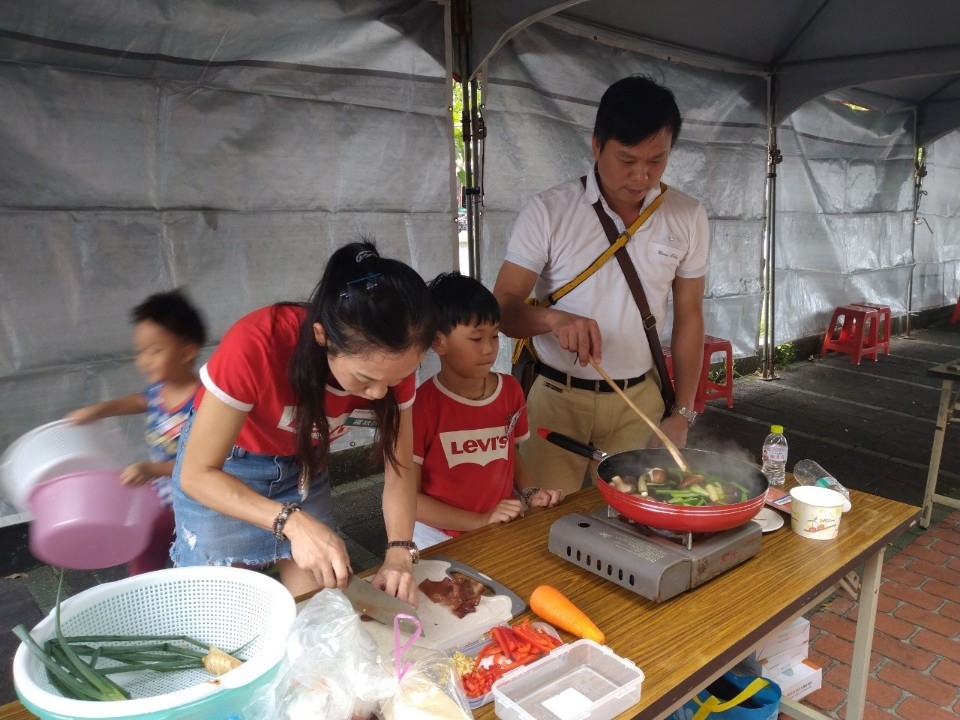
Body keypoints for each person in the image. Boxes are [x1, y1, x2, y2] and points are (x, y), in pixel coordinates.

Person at [171, 240, 434, 603]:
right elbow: (197, 474)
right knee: (216, 611)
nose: (377, 394)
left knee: (323, 608)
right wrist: (291, 521)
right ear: (322, 336)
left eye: (393, 380)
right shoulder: (258, 344)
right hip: (227, 470)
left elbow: (401, 467)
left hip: (302, 467)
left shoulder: (392, 361)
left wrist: (400, 552)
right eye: (365, 379)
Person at [493, 75, 710, 496]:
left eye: (657, 160)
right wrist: (553, 319)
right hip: (556, 400)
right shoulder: (549, 212)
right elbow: (501, 309)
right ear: (596, 145)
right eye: (627, 160)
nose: (641, 175)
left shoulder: (687, 216)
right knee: (543, 525)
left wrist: (682, 412)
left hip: (639, 404)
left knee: (634, 522)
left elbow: (690, 317)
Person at [412, 272, 563, 549]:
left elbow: (510, 453)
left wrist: (530, 493)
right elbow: (409, 500)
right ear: (437, 342)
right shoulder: (420, 407)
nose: (489, 349)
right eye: (476, 339)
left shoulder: (510, 391)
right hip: (435, 539)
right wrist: (479, 520)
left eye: (494, 336)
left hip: (497, 530)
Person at [67, 289, 207, 575]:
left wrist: (152, 469)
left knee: (191, 557)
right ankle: (143, 592)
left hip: (197, 500)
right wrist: (98, 410)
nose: (144, 360)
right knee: (144, 550)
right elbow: (138, 400)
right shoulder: (159, 391)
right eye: (140, 352)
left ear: (187, 352)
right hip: (161, 497)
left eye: (155, 350)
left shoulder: (204, 402)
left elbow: (202, 462)